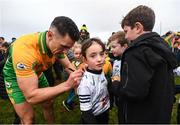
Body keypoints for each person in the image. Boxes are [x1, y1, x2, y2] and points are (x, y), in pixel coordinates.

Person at [3, 16, 84, 124]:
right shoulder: (25, 50)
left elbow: (68, 65)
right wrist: (67, 85)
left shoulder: (56, 44)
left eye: (68, 48)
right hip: (14, 77)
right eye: (64, 47)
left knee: (48, 103)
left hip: (36, 71)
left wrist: (81, 77)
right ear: (50, 35)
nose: (65, 52)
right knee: (28, 119)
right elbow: (31, 96)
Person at [113, 5, 177, 123]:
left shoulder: (136, 52)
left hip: (139, 116)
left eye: (126, 31)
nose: (126, 36)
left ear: (138, 27)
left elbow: (133, 93)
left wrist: (116, 84)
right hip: (160, 114)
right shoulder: (162, 47)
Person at [77, 38, 110, 124]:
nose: (99, 59)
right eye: (93, 56)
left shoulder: (100, 71)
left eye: (101, 54)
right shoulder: (85, 85)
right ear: (85, 60)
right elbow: (86, 113)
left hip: (104, 112)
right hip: (93, 118)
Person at [108, 31, 129, 123]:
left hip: (126, 98)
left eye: (114, 47)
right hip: (117, 95)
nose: (111, 50)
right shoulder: (116, 61)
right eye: (110, 47)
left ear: (124, 46)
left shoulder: (128, 62)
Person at [63, 43, 83, 111]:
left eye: (80, 53)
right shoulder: (73, 63)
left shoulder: (82, 61)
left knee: (74, 92)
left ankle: (70, 101)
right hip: (75, 81)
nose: (78, 55)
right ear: (73, 53)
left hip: (80, 80)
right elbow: (71, 72)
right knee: (75, 93)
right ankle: (67, 102)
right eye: (76, 53)